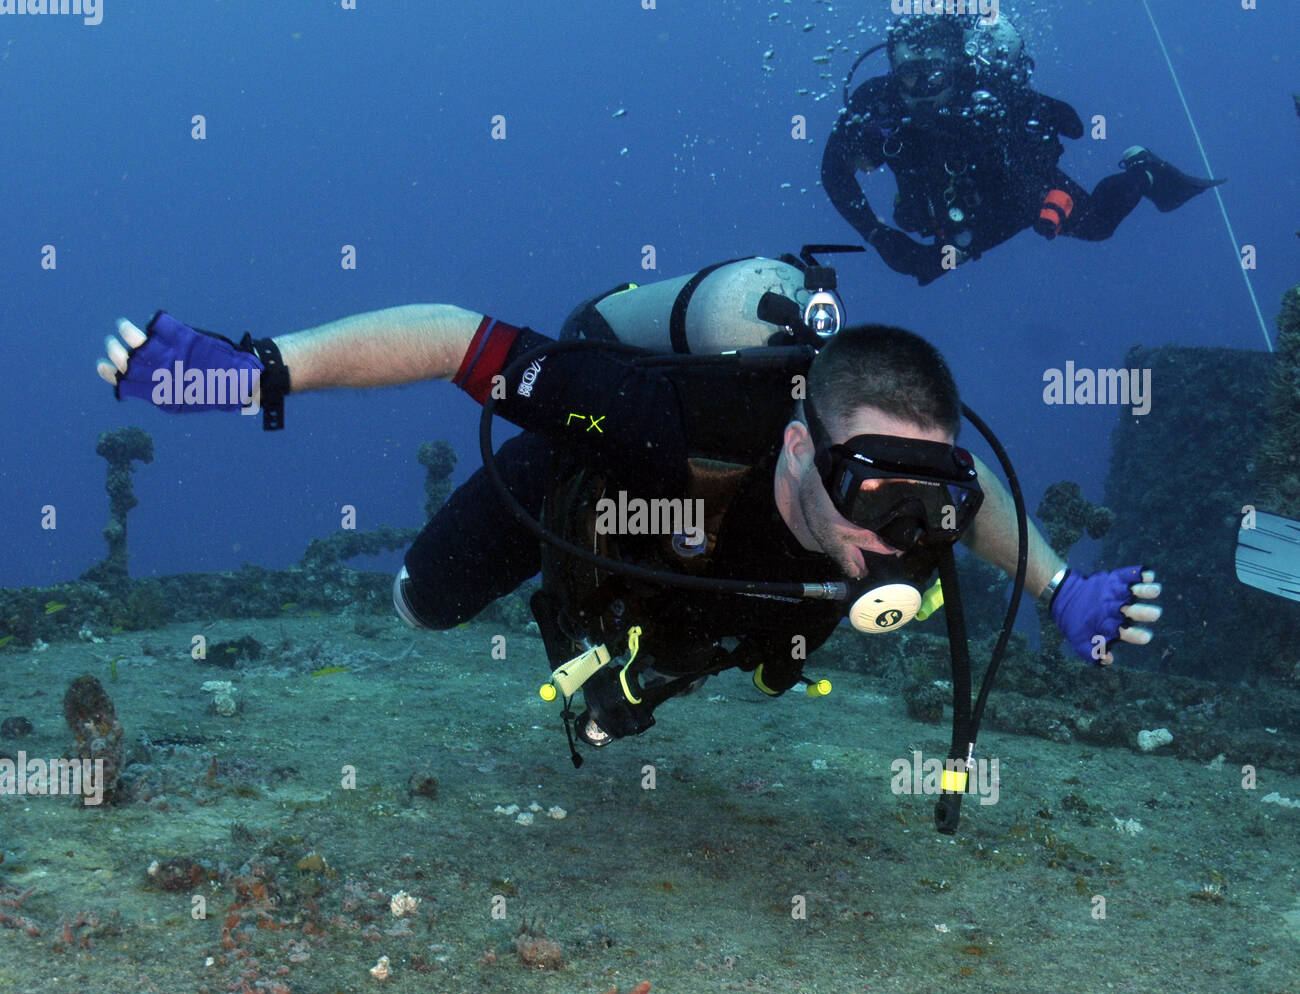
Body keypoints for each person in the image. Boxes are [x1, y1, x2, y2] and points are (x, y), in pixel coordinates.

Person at [96, 295, 1163, 756]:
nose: (902, 531)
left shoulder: (929, 498)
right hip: (587, 489)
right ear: (800, 444)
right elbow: (458, 341)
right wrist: (259, 370)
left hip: (718, 577)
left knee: (734, 652)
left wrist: (1059, 586)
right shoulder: (666, 416)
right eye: (872, 488)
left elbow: (981, 511)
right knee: (417, 605)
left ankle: (637, 661)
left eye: (926, 496)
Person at [822, 13, 1225, 285]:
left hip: (1012, 190)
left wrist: (964, 245)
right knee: (918, 245)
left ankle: (1144, 170)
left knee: (1098, 225)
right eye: (910, 75)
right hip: (940, 208)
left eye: (936, 74)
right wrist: (876, 234)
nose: (923, 89)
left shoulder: (986, 100)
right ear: (895, 71)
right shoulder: (876, 104)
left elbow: (1062, 140)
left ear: (957, 68)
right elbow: (833, 170)